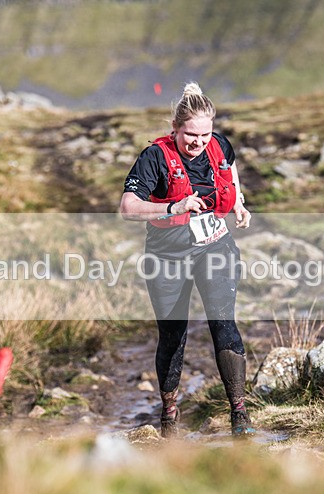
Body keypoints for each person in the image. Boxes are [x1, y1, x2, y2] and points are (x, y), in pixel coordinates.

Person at [120, 82, 255, 438]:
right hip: (168, 255)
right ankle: (169, 418)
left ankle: (240, 417)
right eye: (189, 135)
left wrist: (238, 202)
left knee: (223, 323)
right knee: (172, 335)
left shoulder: (218, 144)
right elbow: (127, 207)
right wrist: (172, 206)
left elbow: (230, 165)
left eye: (204, 134)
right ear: (175, 128)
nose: (198, 142)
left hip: (214, 246)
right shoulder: (154, 158)